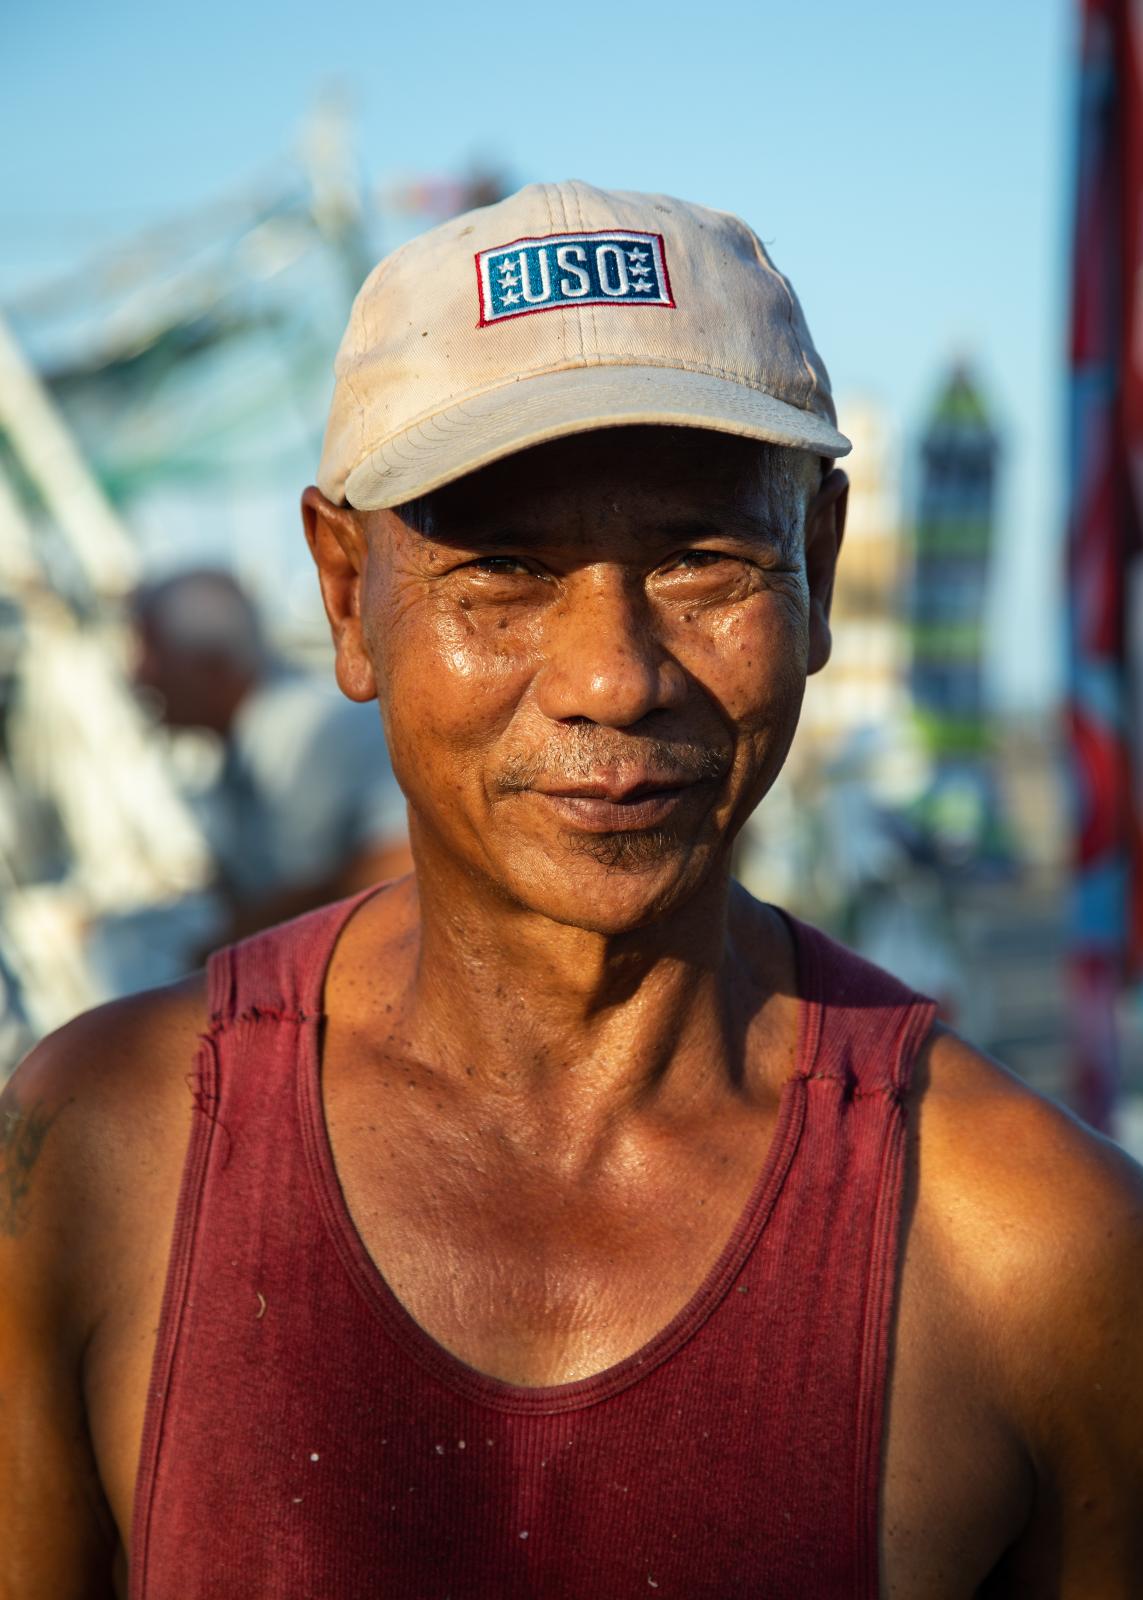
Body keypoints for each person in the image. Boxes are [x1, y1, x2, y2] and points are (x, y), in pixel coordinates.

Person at [2, 181, 1141, 1598]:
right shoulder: (111, 1155)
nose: (611, 676)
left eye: (700, 560)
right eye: (500, 571)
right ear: (347, 596)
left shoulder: (1031, 1250)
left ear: (819, 568)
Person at [131, 567, 411, 941]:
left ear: (212, 667)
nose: (139, 675)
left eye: (153, 653)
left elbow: (400, 862)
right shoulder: (249, 750)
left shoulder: (302, 733)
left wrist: (225, 954)